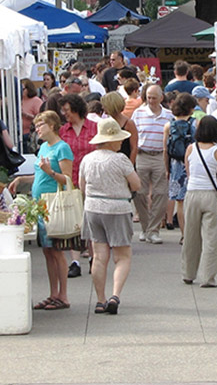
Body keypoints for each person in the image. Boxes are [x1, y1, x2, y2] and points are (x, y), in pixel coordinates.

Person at [8, 111, 74, 311]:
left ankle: (62, 295)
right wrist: (22, 179)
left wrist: (50, 172)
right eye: (36, 126)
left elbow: (67, 178)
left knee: (56, 251)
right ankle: (53, 293)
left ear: (53, 125)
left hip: (53, 204)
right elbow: (39, 175)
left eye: (40, 125)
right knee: (47, 251)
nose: (37, 129)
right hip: (40, 204)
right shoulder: (44, 147)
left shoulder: (62, 148)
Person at [79, 118, 141, 315]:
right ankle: (115, 295)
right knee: (122, 256)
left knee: (98, 256)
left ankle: (100, 299)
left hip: (93, 207)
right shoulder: (120, 160)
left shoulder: (87, 159)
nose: (121, 142)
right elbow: (136, 184)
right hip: (117, 208)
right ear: (111, 140)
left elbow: (82, 186)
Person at [181, 116, 217, 287]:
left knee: (190, 235)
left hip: (192, 193)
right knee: (210, 237)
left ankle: (188, 273)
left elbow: (188, 172)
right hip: (210, 194)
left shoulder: (190, 148)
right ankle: (208, 277)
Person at [58, 93, 98, 276]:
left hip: (91, 180)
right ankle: (75, 261)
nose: (64, 113)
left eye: (67, 110)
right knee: (75, 221)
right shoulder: (63, 131)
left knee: (90, 220)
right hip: (71, 180)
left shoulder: (94, 128)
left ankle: (92, 256)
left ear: (76, 109)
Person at [131, 84, 174, 244]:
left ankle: (154, 230)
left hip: (160, 157)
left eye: (154, 98)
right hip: (142, 155)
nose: (151, 101)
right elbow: (133, 135)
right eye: (148, 97)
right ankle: (145, 227)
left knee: (161, 194)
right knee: (139, 193)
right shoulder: (138, 113)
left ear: (161, 98)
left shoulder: (169, 115)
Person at [164, 93, 197, 237]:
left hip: (176, 165)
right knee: (192, 202)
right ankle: (192, 233)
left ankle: (184, 235)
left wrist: (167, 169)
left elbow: (165, 149)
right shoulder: (195, 123)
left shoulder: (168, 125)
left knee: (180, 203)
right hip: (192, 164)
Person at [101, 92, 138, 164]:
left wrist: (130, 165)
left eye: (104, 105)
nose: (102, 108)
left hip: (125, 162)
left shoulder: (129, 123)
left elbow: (134, 148)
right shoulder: (106, 122)